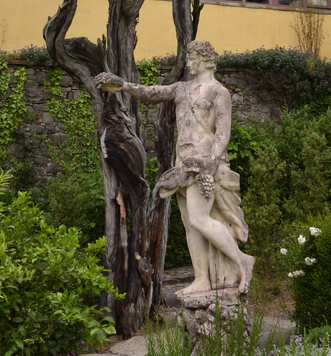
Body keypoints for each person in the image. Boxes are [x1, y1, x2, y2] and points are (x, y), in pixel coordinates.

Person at [95, 41, 254, 296]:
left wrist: (211, 161)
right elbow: (151, 93)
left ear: (206, 60)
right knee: (190, 224)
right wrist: (123, 85)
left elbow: (223, 133)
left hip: (203, 163)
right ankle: (202, 278)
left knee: (199, 218)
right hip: (183, 163)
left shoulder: (218, 92)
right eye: (188, 57)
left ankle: (242, 260)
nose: (188, 62)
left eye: (193, 57)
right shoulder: (182, 89)